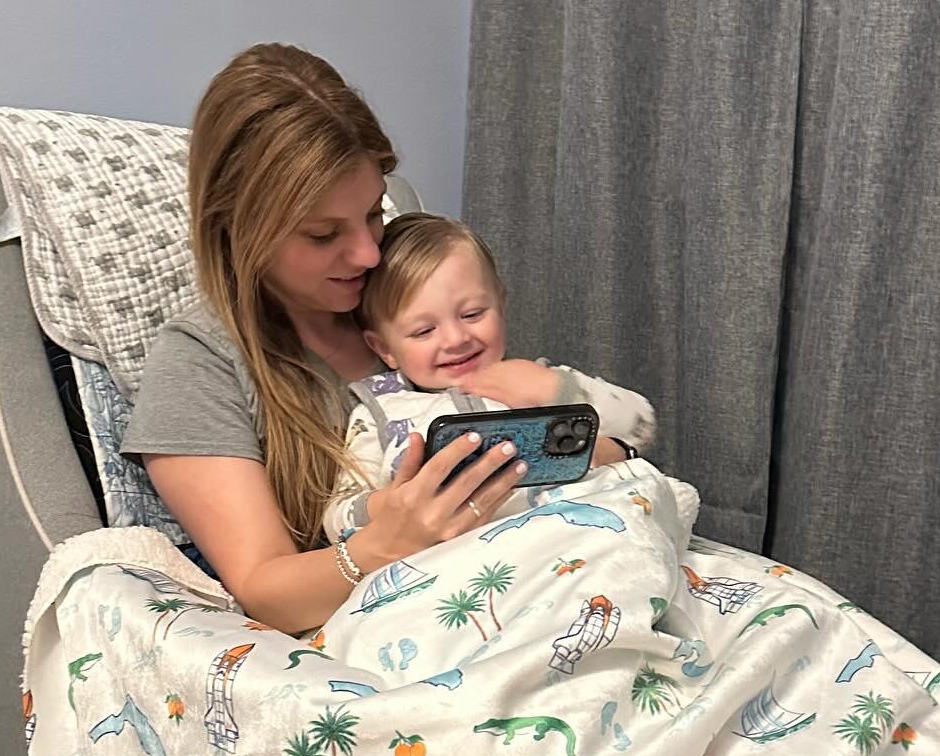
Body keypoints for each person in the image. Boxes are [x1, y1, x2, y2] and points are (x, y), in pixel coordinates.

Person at [121, 43, 635, 635]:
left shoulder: (408, 298)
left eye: (373, 213)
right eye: (323, 234)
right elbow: (266, 592)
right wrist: (386, 542)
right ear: (235, 226)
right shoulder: (200, 364)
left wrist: (594, 448)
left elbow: (596, 433)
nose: (369, 254)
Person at [321, 211, 657, 545]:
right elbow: (335, 520)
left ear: (501, 306)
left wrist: (553, 388)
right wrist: (388, 505)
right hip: (460, 564)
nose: (456, 339)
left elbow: (641, 425)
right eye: (424, 331)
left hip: (572, 543)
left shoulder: (534, 380)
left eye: (472, 314)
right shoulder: (380, 412)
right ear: (385, 348)